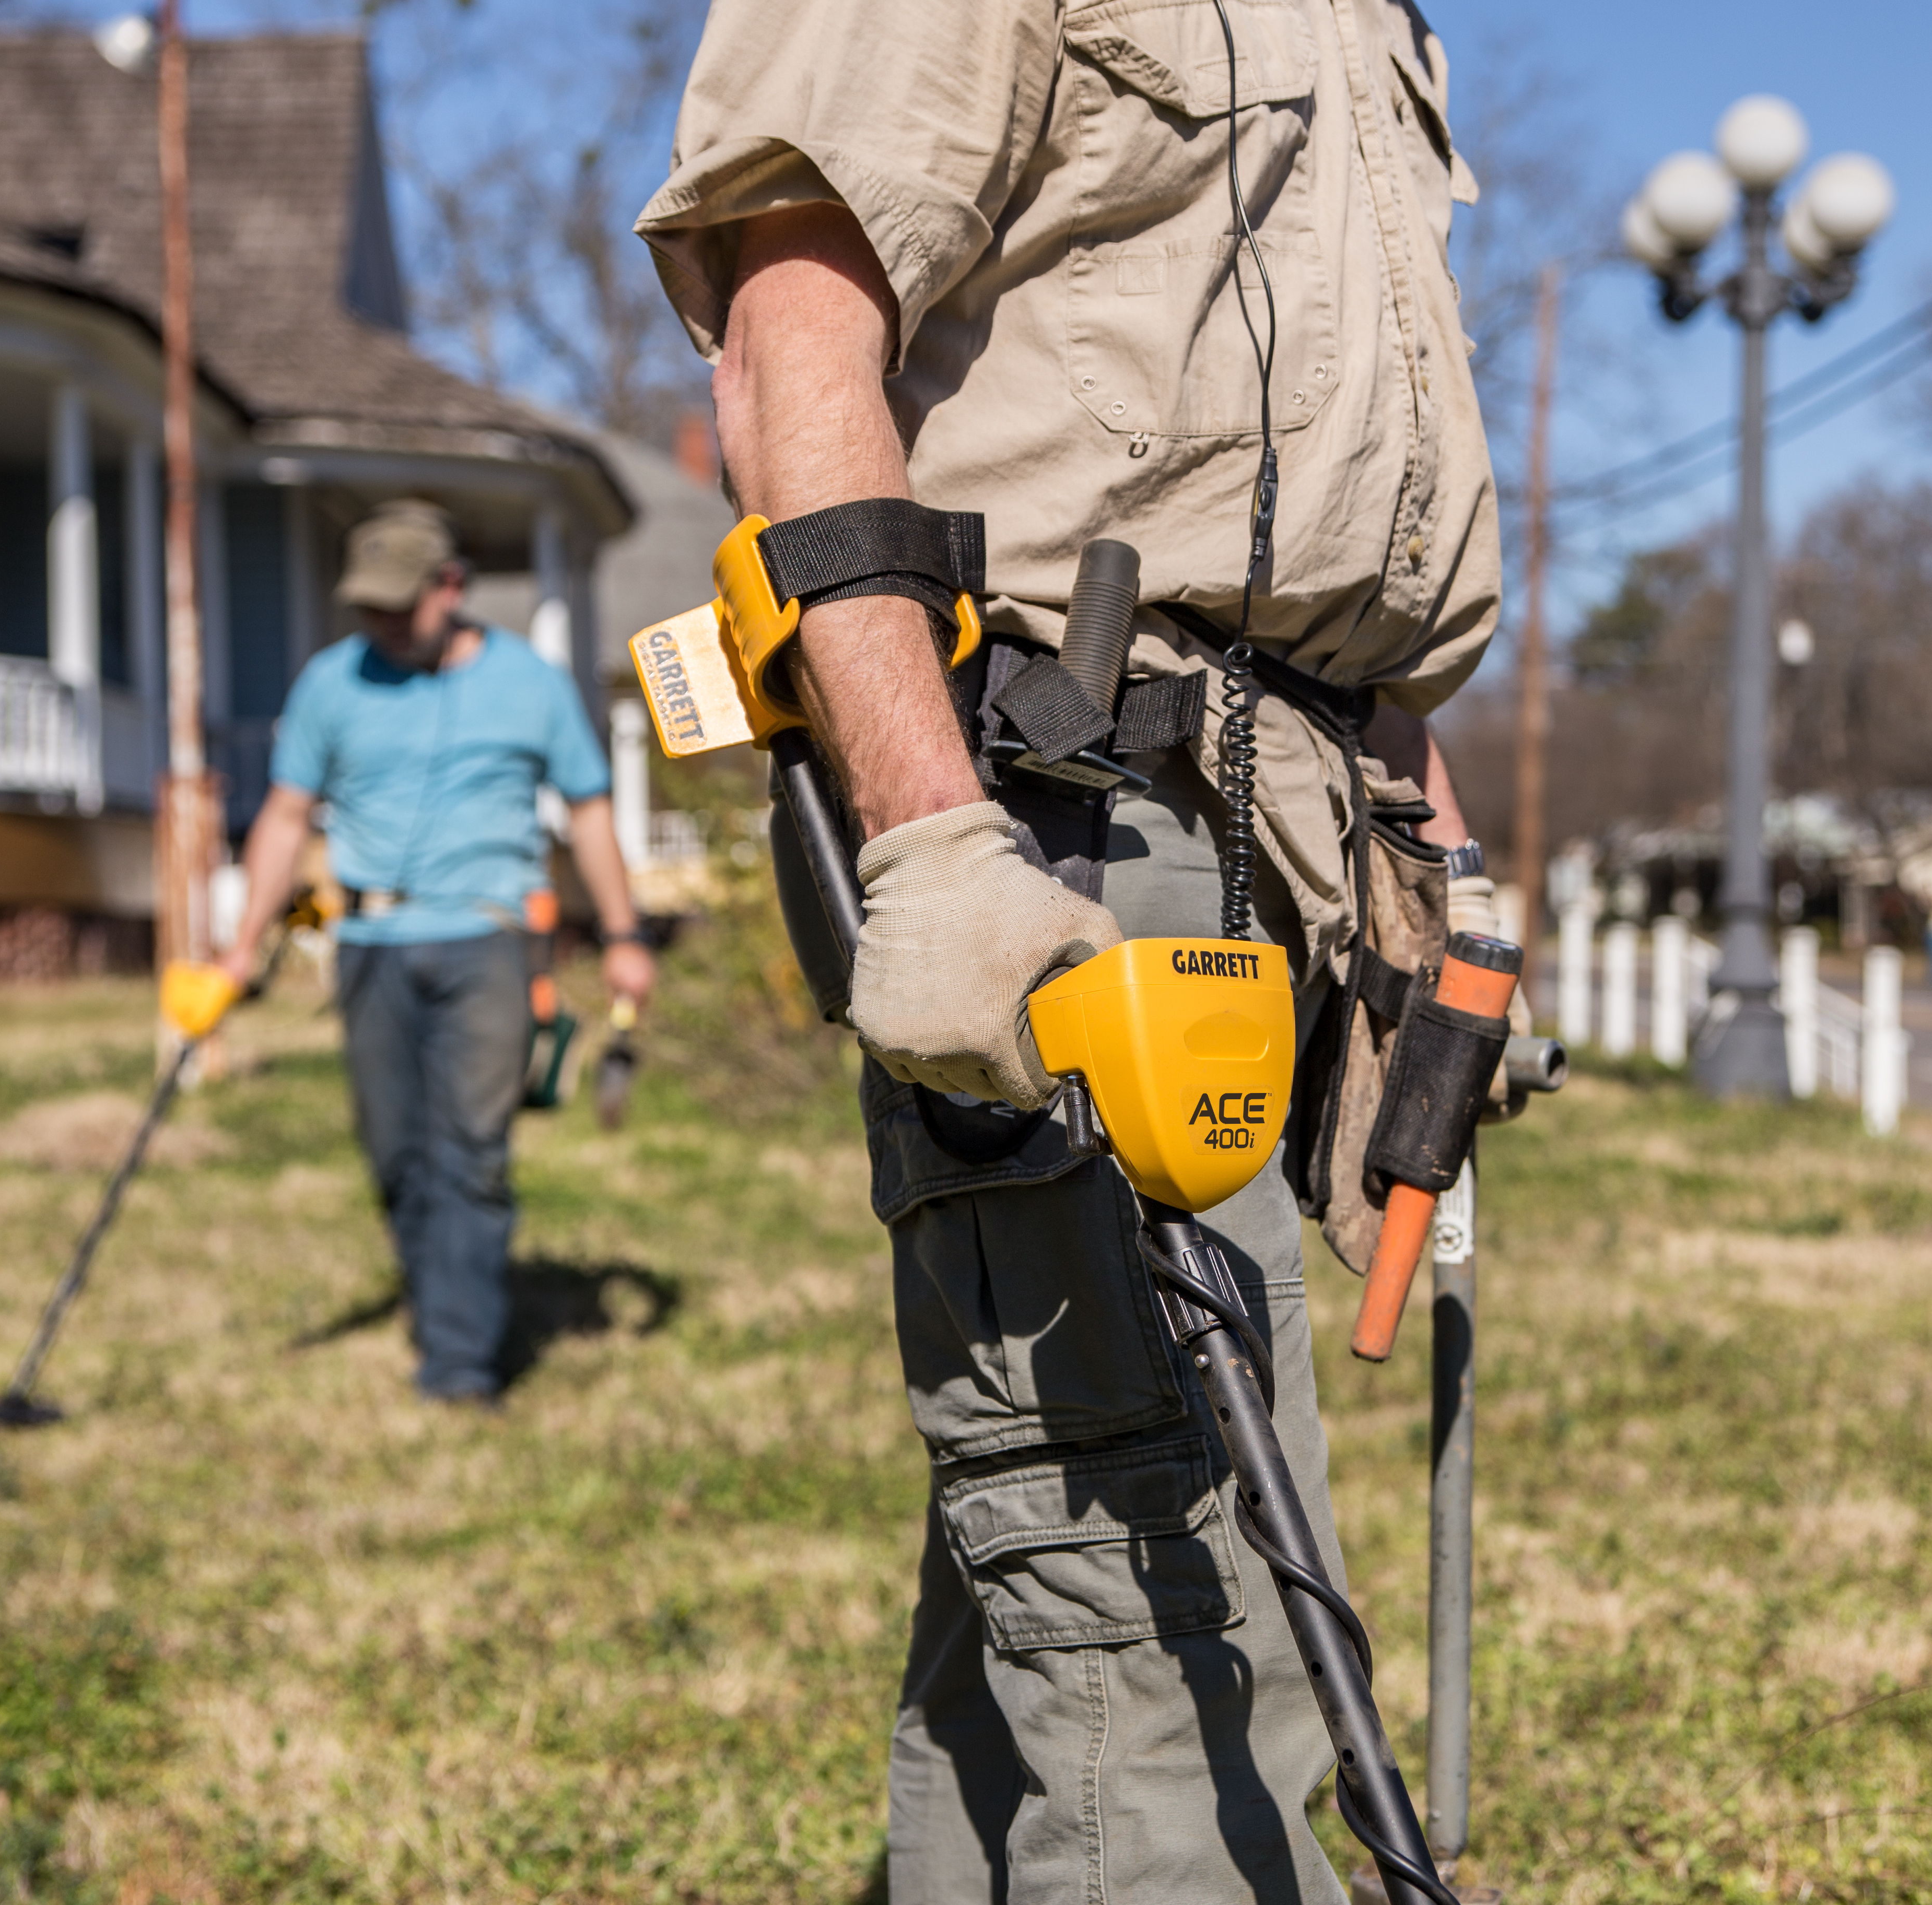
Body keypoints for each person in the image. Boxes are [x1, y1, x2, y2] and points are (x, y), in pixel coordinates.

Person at [636, 0, 1507, 1896]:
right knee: (1167, 1593)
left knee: (1056, 1535)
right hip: (1056, 803)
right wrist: (939, 846)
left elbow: (1335, 509)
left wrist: (1432, 862)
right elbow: (793, 342)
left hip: (1290, 814)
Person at [214, 500, 655, 1406]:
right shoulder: (332, 685)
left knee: (470, 1150)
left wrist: (623, 936)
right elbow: (285, 819)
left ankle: (458, 1361)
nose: (378, 625)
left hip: (486, 940)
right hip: (371, 944)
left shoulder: (529, 685)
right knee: (394, 1155)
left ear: (450, 588)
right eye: (365, 607)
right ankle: (440, 1294)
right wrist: (237, 950)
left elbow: (590, 810)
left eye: (396, 606)